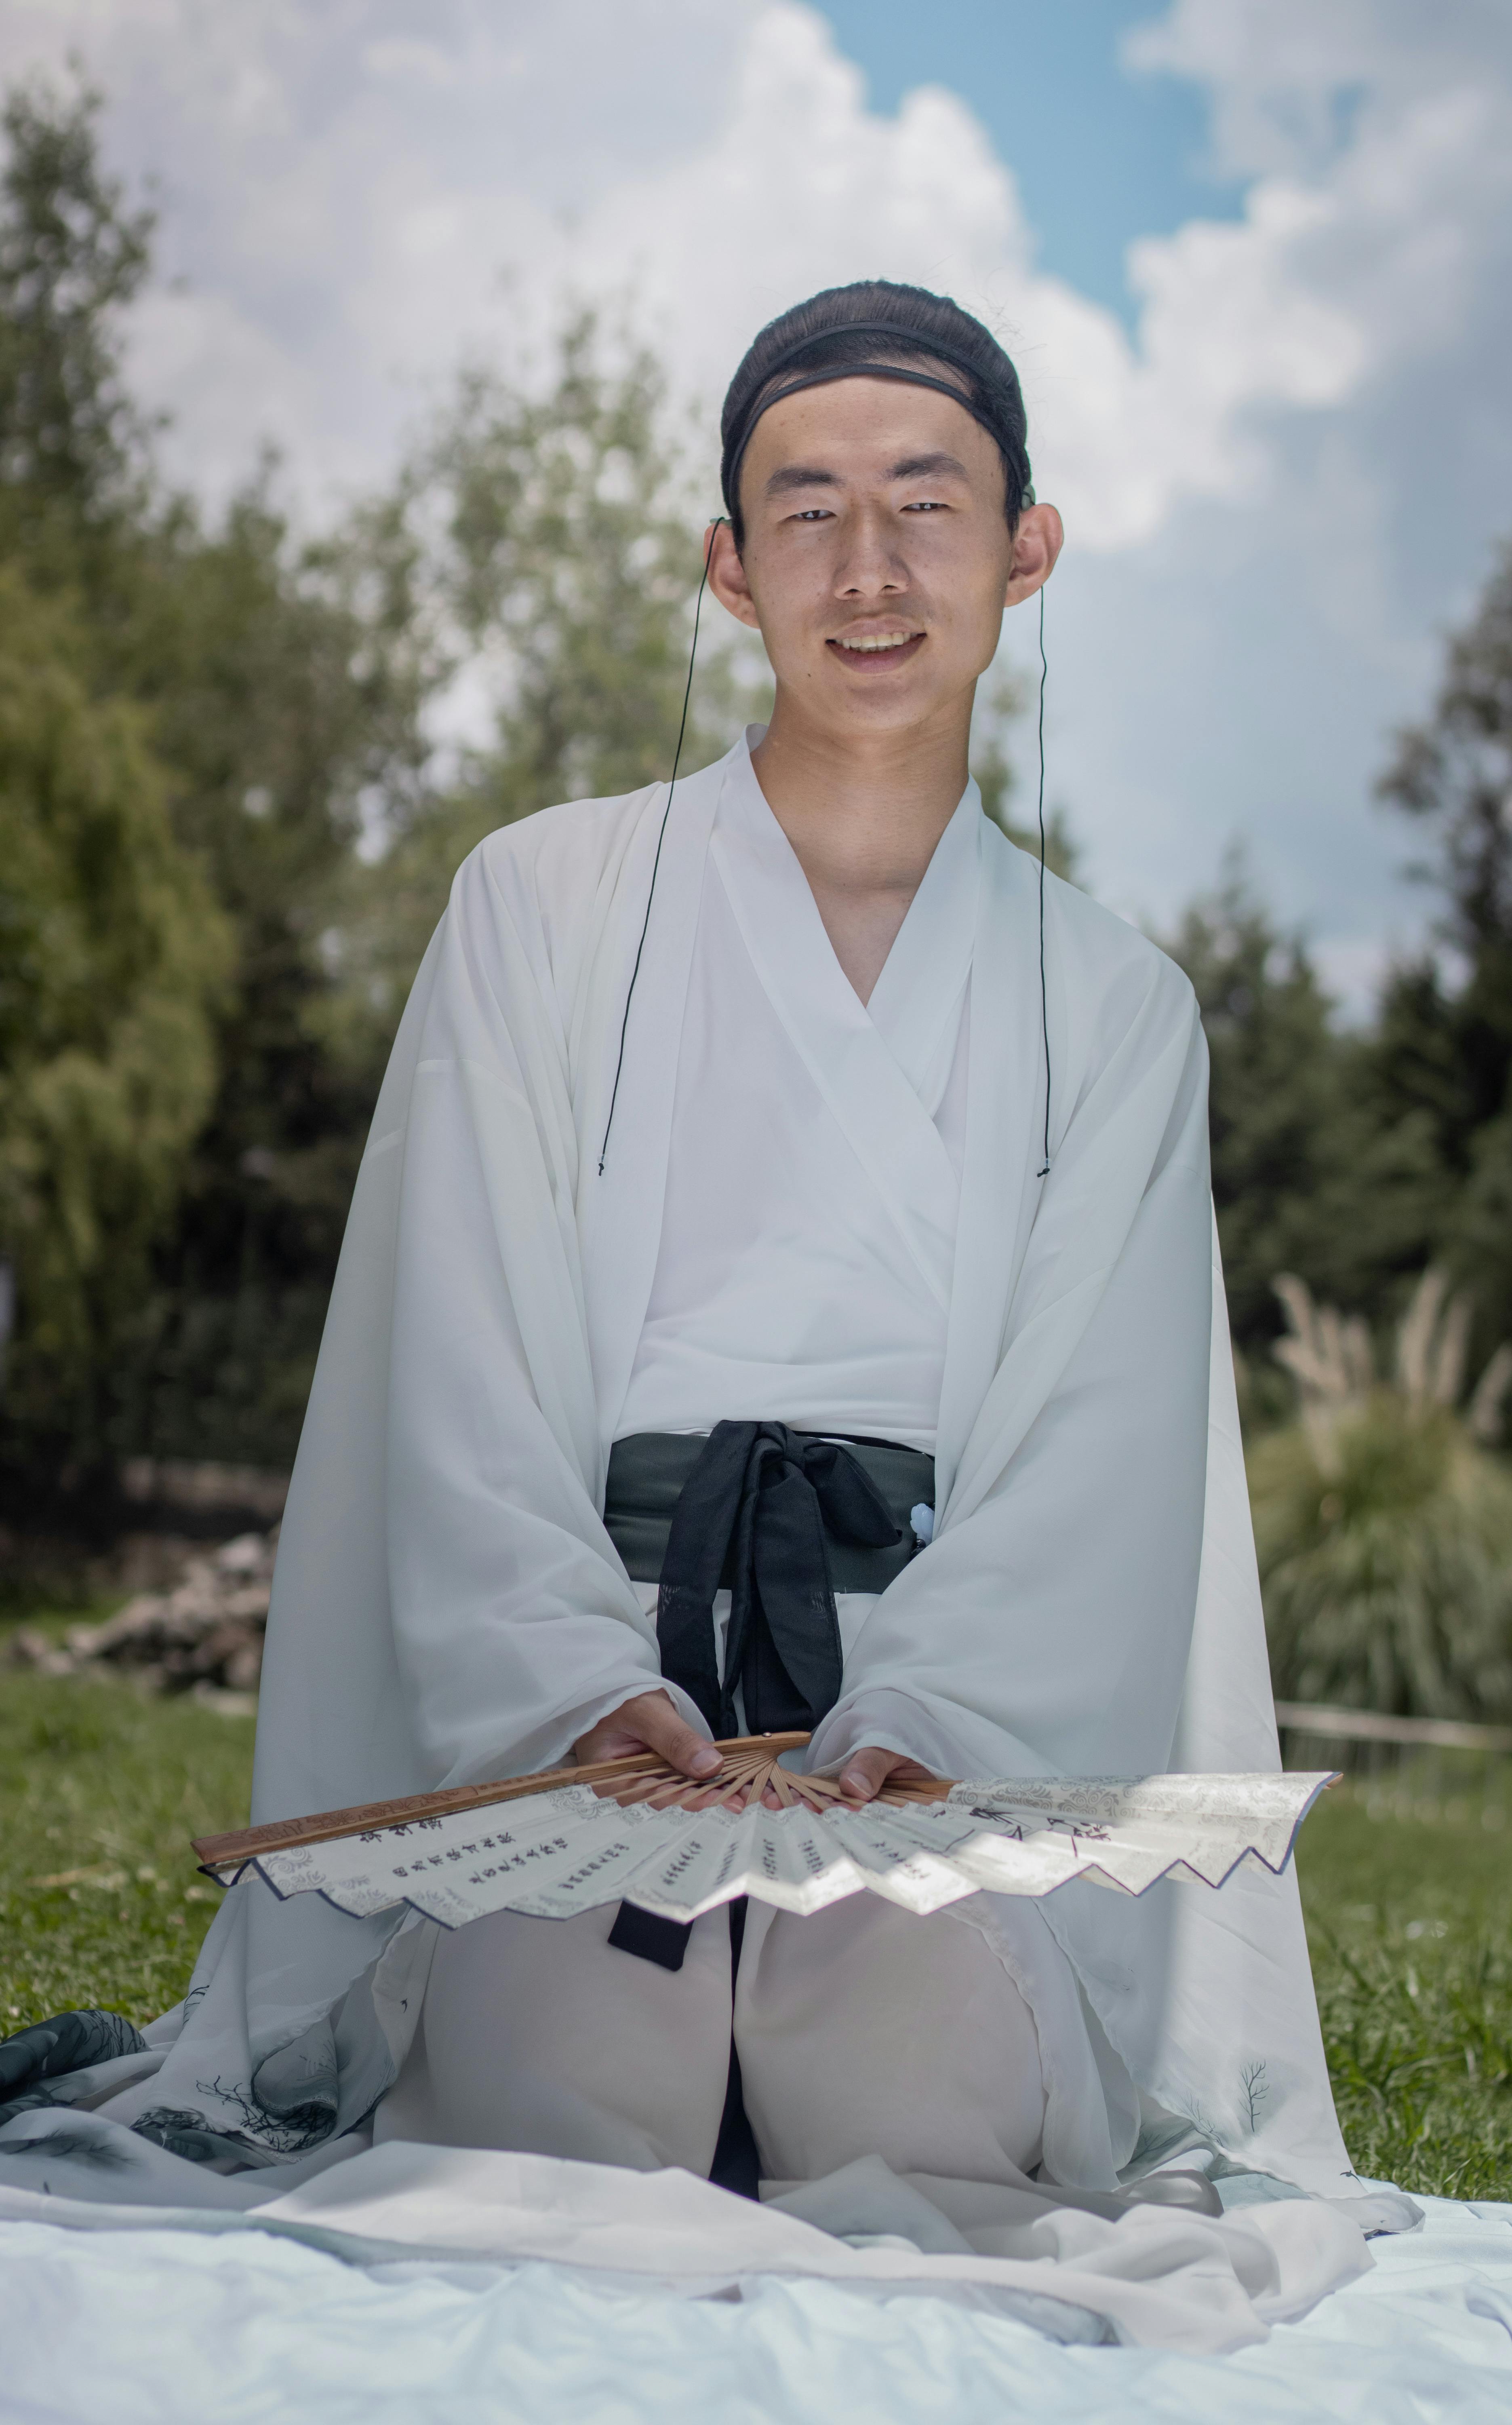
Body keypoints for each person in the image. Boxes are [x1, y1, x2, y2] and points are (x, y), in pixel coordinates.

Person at [0, 282, 1372, 2234]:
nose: (869, 567)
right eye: (806, 510)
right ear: (730, 571)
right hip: (585, 1706)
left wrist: (921, 1740)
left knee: (895, 2075)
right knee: (572, 2083)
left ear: (1027, 553)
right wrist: (574, 1699)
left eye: (928, 503)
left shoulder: (1121, 1005)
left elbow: (1103, 1463)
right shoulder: (539, 902)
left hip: (926, 1735)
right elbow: (455, 1374)